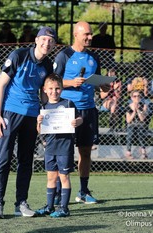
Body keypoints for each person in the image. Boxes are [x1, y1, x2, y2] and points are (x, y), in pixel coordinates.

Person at [0, 26, 56, 219]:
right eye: (44, 39)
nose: (47, 43)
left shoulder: (48, 65)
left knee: (26, 162)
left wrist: (50, 114)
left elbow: (44, 94)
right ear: (36, 40)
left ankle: (21, 203)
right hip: (10, 113)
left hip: (32, 116)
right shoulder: (18, 55)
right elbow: (1, 85)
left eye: (51, 41)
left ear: (53, 45)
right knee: (4, 159)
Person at [53, 21, 109, 204]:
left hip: (88, 110)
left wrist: (104, 86)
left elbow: (100, 88)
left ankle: (83, 192)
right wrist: (70, 83)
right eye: (86, 34)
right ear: (76, 34)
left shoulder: (94, 57)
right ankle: (59, 193)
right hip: (67, 110)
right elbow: (51, 81)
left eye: (91, 34)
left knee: (85, 152)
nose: (90, 37)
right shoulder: (64, 56)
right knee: (65, 153)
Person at [35, 73, 83, 218]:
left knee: (64, 177)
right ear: (44, 89)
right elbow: (40, 131)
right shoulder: (44, 107)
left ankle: (64, 208)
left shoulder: (68, 104)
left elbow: (80, 117)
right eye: (51, 88)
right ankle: (49, 207)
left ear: (61, 89)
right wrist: (38, 122)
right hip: (50, 148)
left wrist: (77, 122)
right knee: (51, 178)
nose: (54, 92)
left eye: (57, 88)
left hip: (65, 147)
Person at [125, 90, 148, 160]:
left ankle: (143, 151)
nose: (137, 98)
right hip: (131, 124)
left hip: (140, 124)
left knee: (141, 132)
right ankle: (128, 152)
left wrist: (138, 110)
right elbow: (128, 120)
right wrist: (134, 112)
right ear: (131, 98)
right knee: (130, 132)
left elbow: (142, 119)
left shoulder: (144, 106)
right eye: (134, 96)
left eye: (138, 96)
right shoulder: (128, 106)